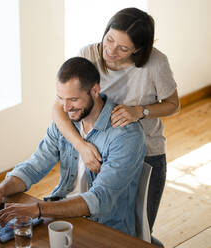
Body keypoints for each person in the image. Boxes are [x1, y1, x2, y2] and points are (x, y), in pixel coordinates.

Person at [0, 57, 146, 237]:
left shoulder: (126, 136)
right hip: (59, 216)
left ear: (95, 90)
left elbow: (100, 200)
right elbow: (33, 167)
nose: (66, 107)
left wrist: (38, 210)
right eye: (60, 98)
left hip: (103, 228)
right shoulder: (65, 124)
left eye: (73, 99)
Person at [52, 7, 180, 246]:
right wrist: (81, 147)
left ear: (138, 49)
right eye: (109, 39)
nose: (110, 51)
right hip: (98, 154)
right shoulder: (89, 54)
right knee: (102, 227)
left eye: (123, 48)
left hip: (148, 156)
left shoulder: (155, 64)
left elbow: (173, 104)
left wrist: (140, 111)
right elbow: (59, 108)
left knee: (138, 234)